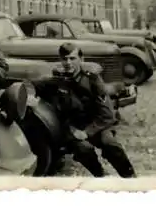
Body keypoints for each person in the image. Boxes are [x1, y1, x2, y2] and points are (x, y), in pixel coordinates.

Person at [33, 42, 137, 178]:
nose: (68, 63)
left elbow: (107, 115)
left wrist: (87, 132)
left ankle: (130, 176)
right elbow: (31, 84)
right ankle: (100, 176)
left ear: (81, 60)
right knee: (84, 149)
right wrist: (28, 95)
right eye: (65, 59)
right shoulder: (57, 81)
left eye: (72, 58)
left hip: (98, 125)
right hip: (74, 129)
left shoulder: (92, 80)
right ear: (60, 60)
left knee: (110, 144)